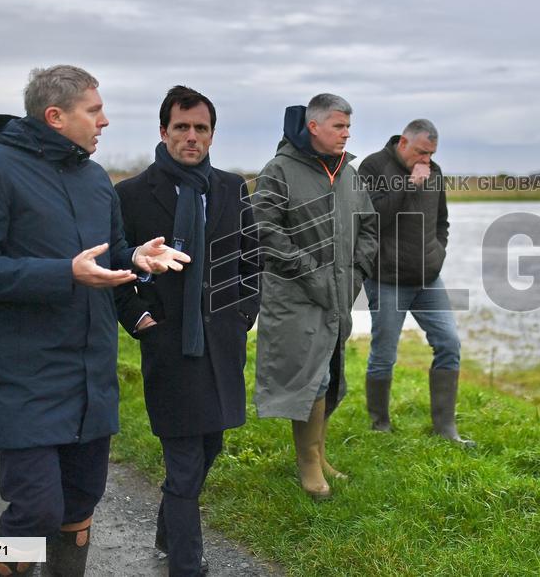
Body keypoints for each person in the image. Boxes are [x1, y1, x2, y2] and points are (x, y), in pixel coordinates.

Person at [0, 65, 189, 577]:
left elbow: (109, 253)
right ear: (55, 116)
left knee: (79, 504)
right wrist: (64, 274)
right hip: (22, 371)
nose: (105, 121)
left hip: (90, 371)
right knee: (35, 510)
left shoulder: (94, 178)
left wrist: (136, 258)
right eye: (94, 110)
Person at [114, 86, 260, 576]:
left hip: (221, 345)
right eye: (182, 127)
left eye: (201, 128)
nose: (191, 137)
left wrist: (243, 316)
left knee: (210, 447)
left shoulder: (232, 187)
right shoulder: (132, 194)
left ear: (212, 134)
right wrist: (138, 320)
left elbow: (250, 259)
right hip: (167, 344)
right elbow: (116, 267)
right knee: (182, 459)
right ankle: (185, 564)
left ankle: (165, 526)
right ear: (163, 131)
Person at [252, 93, 377, 498]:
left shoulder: (349, 173)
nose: (346, 133)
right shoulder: (279, 170)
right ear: (314, 126)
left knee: (332, 374)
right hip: (296, 299)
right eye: (339, 126)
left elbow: (369, 227)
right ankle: (308, 465)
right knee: (311, 379)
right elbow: (264, 230)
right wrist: (308, 272)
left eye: (348, 127)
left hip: (339, 295)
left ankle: (317, 452)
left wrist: (358, 272)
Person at [358, 119, 473, 446]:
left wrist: (438, 253)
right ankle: (380, 425)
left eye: (431, 154)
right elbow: (370, 219)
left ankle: (445, 429)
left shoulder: (434, 172)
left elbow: (442, 222)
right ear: (404, 143)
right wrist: (409, 185)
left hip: (428, 278)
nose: (426, 160)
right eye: (421, 152)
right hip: (388, 278)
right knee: (384, 353)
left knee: (449, 344)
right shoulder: (373, 166)